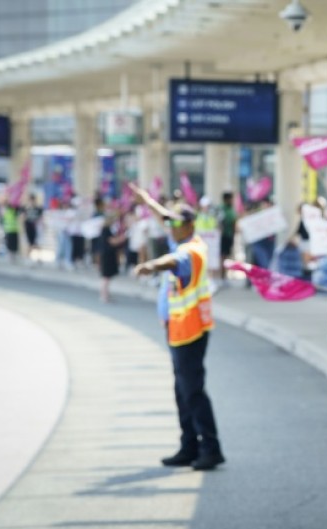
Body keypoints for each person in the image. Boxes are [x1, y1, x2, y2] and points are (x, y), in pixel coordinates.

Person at [130, 182, 225, 471]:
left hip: (191, 332)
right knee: (182, 390)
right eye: (170, 225)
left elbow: (174, 261)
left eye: (176, 225)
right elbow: (165, 219)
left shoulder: (192, 251)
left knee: (193, 391)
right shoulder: (181, 239)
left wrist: (151, 265)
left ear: (190, 226)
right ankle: (189, 446)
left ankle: (211, 448)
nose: (170, 228)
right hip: (178, 330)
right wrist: (148, 201)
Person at [99, 211, 127, 303]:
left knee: (107, 278)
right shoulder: (106, 229)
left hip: (109, 255)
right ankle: (104, 296)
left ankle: (106, 294)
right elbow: (113, 241)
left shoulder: (109, 229)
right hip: (106, 255)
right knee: (106, 277)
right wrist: (122, 238)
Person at [218, 191, 238, 282]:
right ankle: (222, 276)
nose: (232, 200)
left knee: (227, 256)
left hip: (229, 235)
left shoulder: (232, 209)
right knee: (222, 256)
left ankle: (225, 275)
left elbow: (234, 222)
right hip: (222, 236)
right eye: (231, 199)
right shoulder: (221, 209)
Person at [22, 193, 43, 264]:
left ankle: (38, 258)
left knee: (36, 243)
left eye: (33, 200)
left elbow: (41, 218)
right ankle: (28, 258)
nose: (32, 201)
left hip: (36, 228)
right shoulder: (26, 208)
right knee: (30, 243)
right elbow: (23, 217)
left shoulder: (38, 208)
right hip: (28, 227)